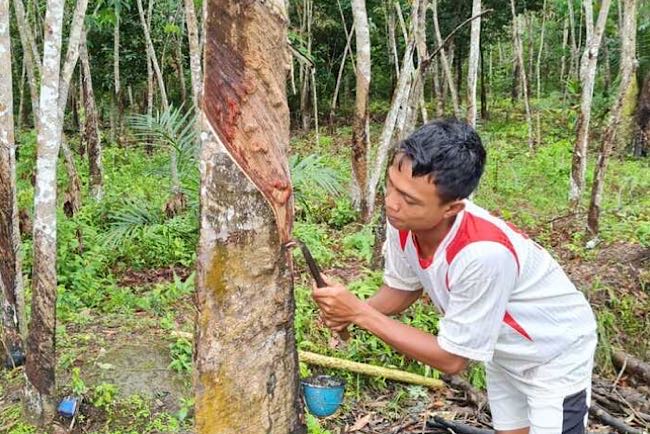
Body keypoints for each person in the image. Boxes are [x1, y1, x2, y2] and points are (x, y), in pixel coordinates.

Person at [312, 119, 597, 434]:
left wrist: (359, 312)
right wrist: (349, 308)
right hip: (504, 350)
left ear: (452, 208)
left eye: (409, 199)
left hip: (554, 354)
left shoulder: (482, 254)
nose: (392, 203)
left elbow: (452, 359)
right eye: (392, 184)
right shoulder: (404, 223)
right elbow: (403, 290)